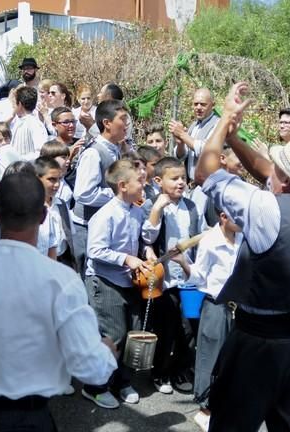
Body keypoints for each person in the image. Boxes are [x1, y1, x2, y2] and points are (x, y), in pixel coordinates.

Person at [194, 82, 290, 431]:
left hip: (259, 340)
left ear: (286, 177)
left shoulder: (265, 209)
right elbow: (266, 170)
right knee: (288, 424)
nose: (269, 167)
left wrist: (225, 118)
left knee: (231, 422)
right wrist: (234, 138)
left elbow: (205, 172)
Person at [0, 171, 117, 432]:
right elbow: (92, 369)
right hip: (26, 419)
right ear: (43, 216)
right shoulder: (61, 281)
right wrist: (106, 351)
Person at [81, 159, 155, 409]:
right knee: (113, 335)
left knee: (132, 332)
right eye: (140, 181)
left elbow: (139, 240)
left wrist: (147, 251)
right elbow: (95, 250)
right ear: (123, 185)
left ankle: (121, 381)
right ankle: (95, 387)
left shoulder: (136, 209)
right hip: (104, 280)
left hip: (128, 281)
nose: (144, 185)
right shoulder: (106, 214)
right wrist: (126, 258)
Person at [172, 206, 242, 431]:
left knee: (231, 358)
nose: (243, 221)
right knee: (209, 356)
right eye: (237, 216)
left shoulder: (242, 238)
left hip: (237, 306)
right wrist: (183, 263)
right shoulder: (210, 241)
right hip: (215, 305)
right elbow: (199, 276)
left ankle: (224, 404)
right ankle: (205, 408)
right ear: (223, 217)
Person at [141, 157, 206, 395]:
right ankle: (160, 371)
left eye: (183, 178)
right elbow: (147, 239)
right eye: (174, 178)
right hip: (164, 280)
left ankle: (182, 368)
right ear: (158, 181)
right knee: (166, 328)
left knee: (189, 327)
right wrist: (157, 208)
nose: (181, 183)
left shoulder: (191, 207)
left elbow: (197, 238)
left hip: (188, 279)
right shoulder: (151, 205)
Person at [72, 99, 128, 276]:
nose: (126, 125)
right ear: (107, 123)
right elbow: (83, 193)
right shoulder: (93, 153)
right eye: (123, 119)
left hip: (103, 226)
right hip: (87, 228)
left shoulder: (116, 149)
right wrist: (117, 195)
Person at [169, 88, 219, 183]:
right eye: (196, 104)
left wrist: (182, 134)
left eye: (203, 104)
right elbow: (182, 156)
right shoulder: (194, 126)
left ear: (213, 105)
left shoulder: (218, 125)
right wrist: (180, 144)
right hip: (190, 185)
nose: (198, 107)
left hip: (208, 185)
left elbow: (205, 150)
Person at [10, 86, 48, 159]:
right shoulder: (16, 122)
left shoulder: (35, 124)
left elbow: (41, 150)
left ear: (20, 104)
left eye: (14, 103)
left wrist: (22, 160)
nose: (12, 106)